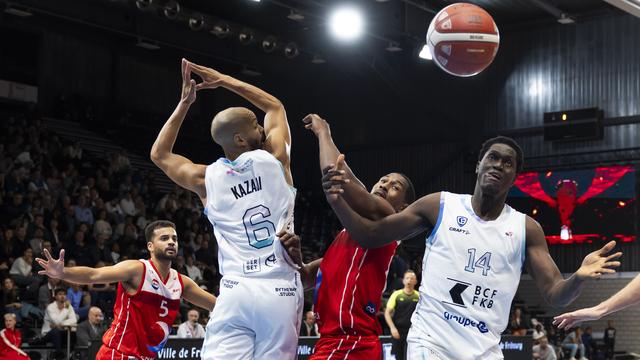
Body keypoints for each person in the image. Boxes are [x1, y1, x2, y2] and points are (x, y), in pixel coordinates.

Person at [321, 136, 622, 360]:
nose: (498, 165)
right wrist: (337, 202)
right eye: (493, 157)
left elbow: (556, 294)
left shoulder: (526, 229)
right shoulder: (439, 205)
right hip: (430, 342)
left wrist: (579, 277)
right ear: (479, 164)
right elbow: (371, 235)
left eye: (508, 163)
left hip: (484, 350)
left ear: (515, 177)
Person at [151, 59, 301, 359]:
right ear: (241, 138)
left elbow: (159, 154)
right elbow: (275, 108)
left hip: (235, 291)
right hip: (278, 289)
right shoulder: (275, 160)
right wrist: (224, 80)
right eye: (255, 125)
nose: (262, 127)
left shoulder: (206, 178)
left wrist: (184, 104)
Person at [294, 114, 415, 360]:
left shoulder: (389, 218)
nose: (384, 184)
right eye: (382, 180)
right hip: (333, 341)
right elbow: (307, 277)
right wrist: (295, 258)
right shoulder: (347, 234)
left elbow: (338, 175)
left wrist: (323, 132)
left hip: (351, 341)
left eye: (394, 186)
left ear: (403, 207)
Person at [35, 220, 216, 359]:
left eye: (174, 239)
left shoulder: (181, 282)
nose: (171, 242)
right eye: (164, 238)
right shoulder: (137, 270)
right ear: (150, 247)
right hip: (118, 353)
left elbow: (217, 305)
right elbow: (93, 275)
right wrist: (62, 272)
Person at [385, 270, 419, 360]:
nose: (409, 280)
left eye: (412, 278)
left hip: (413, 331)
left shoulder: (419, 296)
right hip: (398, 331)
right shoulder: (396, 294)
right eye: (407, 278)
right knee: (398, 356)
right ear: (403, 281)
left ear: (415, 281)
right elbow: (387, 313)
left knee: (410, 357)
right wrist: (392, 328)